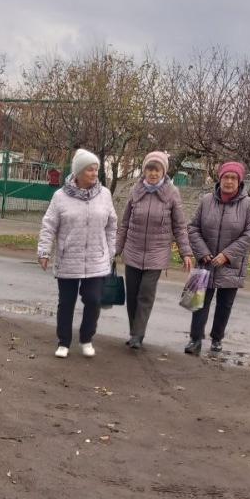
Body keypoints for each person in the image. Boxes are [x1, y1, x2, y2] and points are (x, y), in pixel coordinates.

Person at [38, 149, 117, 359]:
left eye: (96, 169)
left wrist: (110, 251)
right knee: (66, 302)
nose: (94, 173)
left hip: (96, 259)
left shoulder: (105, 195)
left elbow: (111, 225)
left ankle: (86, 338)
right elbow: (49, 225)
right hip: (68, 259)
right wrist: (44, 251)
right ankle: (63, 341)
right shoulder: (60, 197)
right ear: (79, 172)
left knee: (93, 299)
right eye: (90, 169)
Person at [114, 151, 193, 349]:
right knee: (132, 295)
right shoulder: (136, 191)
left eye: (157, 169)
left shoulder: (172, 193)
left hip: (157, 253)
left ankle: (138, 335)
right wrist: (116, 248)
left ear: (163, 171)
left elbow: (180, 226)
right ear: (145, 170)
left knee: (145, 294)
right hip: (133, 250)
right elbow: (124, 224)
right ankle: (134, 331)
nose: (153, 173)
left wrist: (186, 253)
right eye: (149, 169)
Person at [184, 161, 250, 355]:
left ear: (240, 181)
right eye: (226, 177)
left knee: (225, 304)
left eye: (233, 178)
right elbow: (193, 228)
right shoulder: (206, 200)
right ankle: (195, 339)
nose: (229, 181)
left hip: (232, 264)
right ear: (220, 179)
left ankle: (217, 339)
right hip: (206, 261)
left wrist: (227, 255)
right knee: (198, 301)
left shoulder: (248, 204)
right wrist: (202, 252)